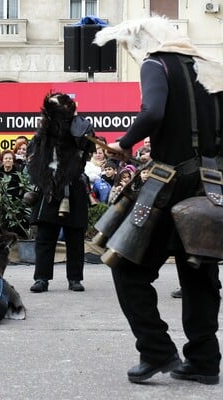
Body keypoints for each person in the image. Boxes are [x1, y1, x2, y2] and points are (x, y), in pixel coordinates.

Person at [94, 16, 222, 384]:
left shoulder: (157, 62)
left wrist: (124, 143)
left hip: (170, 186)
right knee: (199, 274)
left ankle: (156, 350)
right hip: (211, 188)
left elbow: (152, 113)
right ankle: (204, 361)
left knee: (126, 269)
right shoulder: (211, 69)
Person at [27, 92, 95, 294]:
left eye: (56, 106)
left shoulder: (80, 126)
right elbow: (35, 152)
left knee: (75, 236)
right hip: (49, 186)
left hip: (73, 185)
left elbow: (87, 144)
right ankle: (41, 278)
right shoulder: (44, 130)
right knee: (45, 235)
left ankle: (75, 278)